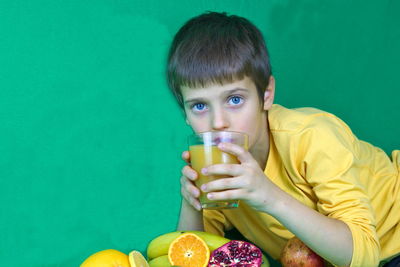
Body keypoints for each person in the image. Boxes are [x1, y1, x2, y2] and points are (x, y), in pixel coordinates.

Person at [166, 11, 400, 267]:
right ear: (186, 115)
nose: (218, 122)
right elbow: (193, 255)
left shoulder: (312, 136)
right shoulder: (219, 172)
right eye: (199, 106)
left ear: (266, 95)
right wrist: (193, 205)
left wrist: (268, 196)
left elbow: (365, 256)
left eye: (235, 100)